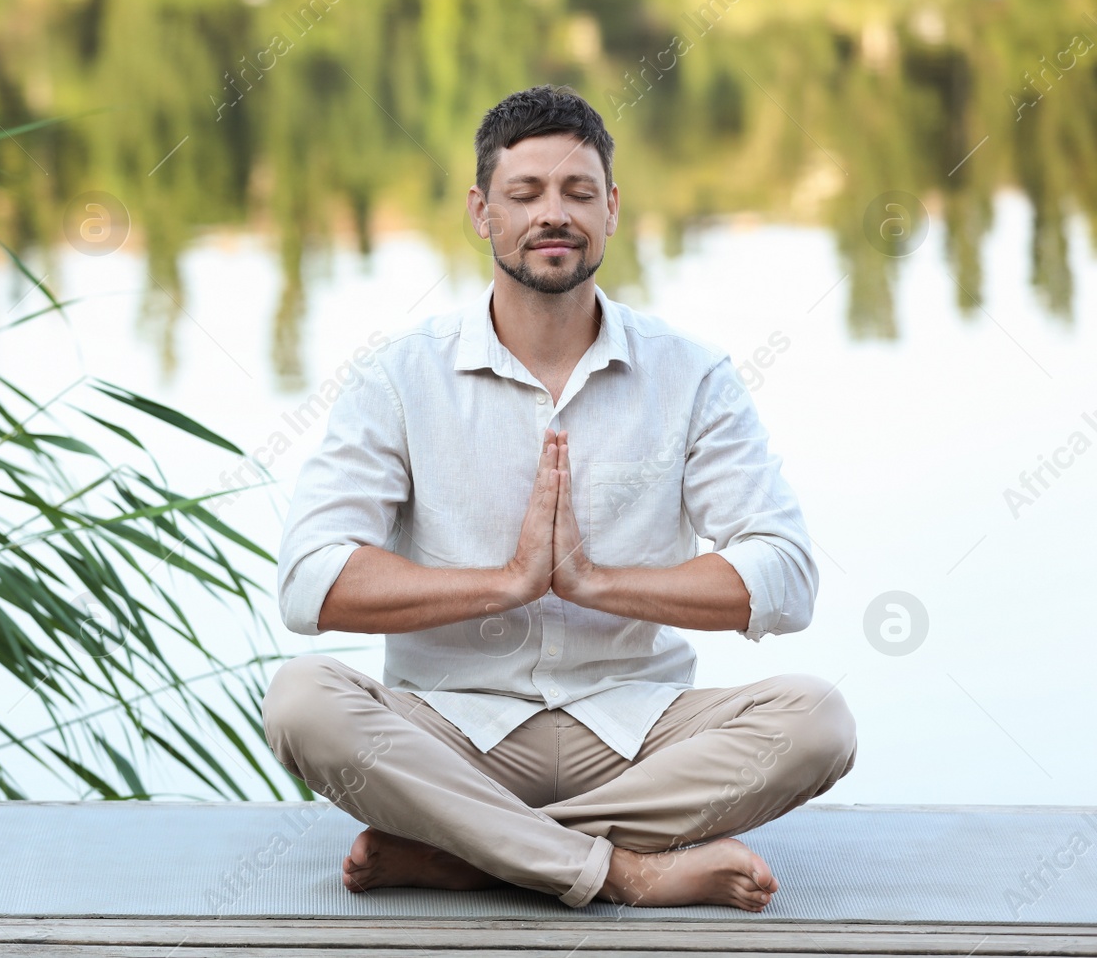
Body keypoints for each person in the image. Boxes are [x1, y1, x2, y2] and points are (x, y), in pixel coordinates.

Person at [261, 84, 856, 912]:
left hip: (641, 734)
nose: (555, 214)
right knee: (302, 700)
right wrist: (505, 581)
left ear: (611, 210)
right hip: (452, 732)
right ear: (482, 211)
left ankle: (468, 852)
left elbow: (786, 576)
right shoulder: (400, 375)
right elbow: (308, 582)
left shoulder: (691, 375)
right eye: (526, 193)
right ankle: (621, 868)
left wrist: (593, 581)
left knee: (818, 720)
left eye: (579, 193)